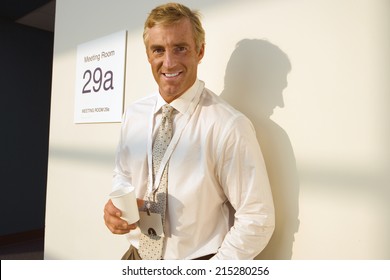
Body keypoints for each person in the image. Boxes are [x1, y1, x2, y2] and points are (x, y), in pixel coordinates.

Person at [103, 2, 275, 260]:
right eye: (158, 50)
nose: (168, 62)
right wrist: (117, 207)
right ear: (149, 55)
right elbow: (123, 175)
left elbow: (257, 218)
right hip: (136, 255)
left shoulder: (227, 125)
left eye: (180, 48)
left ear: (200, 51)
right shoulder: (133, 114)